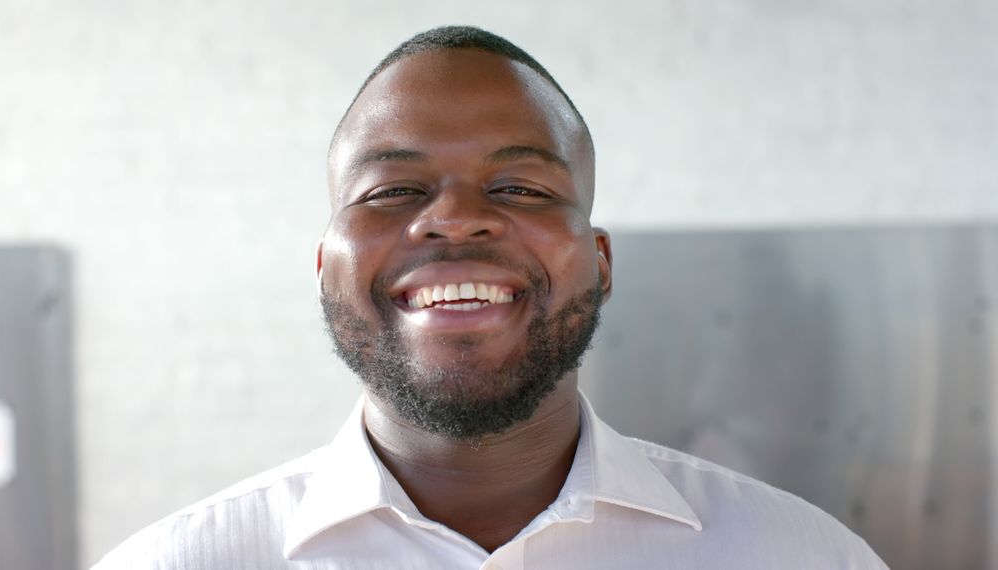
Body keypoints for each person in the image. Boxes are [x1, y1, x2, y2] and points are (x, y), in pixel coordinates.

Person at [95, 26, 888, 569]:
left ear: (600, 262)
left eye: (519, 186)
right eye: (393, 189)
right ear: (325, 266)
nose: (454, 218)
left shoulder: (802, 557)